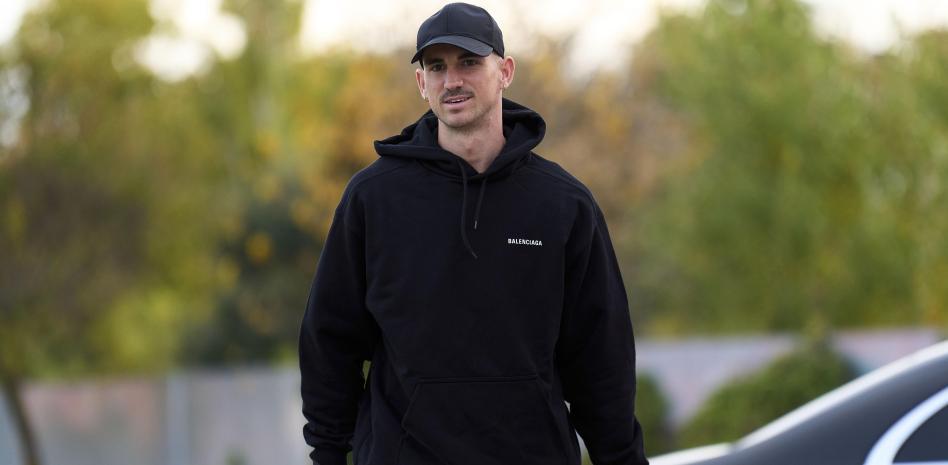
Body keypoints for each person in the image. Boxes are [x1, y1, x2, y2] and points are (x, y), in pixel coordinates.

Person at [299, 3, 648, 464]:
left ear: (505, 72)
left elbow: (601, 358)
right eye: (436, 67)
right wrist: (327, 454)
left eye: (468, 62)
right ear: (421, 83)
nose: (452, 80)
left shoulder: (563, 204)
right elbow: (330, 341)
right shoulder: (373, 199)